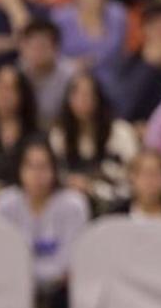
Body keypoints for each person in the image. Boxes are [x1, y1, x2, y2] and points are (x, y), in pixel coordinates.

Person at [0, 140, 90, 308]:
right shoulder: (6, 203)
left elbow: (70, 261)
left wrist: (36, 277)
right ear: (19, 169)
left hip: (59, 288)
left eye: (43, 166)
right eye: (30, 166)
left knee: (67, 298)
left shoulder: (73, 205)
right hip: (14, 286)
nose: (37, 175)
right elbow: (1, 257)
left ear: (55, 170)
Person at [49, 72, 140, 215]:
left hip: (114, 199)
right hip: (72, 201)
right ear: (68, 99)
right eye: (77, 94)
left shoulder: (120, 132)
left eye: (88, 94)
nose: (83, 100)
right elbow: (55, 173)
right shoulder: (59, 135)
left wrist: (92, 186)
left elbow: (131, 173)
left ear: (98, 97)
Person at [50, 0, 126, 90]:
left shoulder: (117, 14)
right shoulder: (60, 18)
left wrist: (96, 18)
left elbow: (113, 52)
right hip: (71, 86)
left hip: (109, 85)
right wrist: (73, 66)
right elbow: (54, 59)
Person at [0, 64, 39, 206]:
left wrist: (2, 190)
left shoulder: (36, 138)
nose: (4, 95)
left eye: (10, 88)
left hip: (24, 207)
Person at [14, 20, 75, 131]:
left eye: (42, 46)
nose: (36, 52)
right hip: (24, 132)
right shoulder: (14, 73)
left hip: (61, 130)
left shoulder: (71, 76)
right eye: (31, 46)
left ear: (56, 48)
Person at [108, 149, 161, 217]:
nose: (150, 181)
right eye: (145, 174)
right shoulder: (116, 215)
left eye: (155, 174)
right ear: (132, 177)